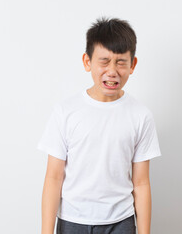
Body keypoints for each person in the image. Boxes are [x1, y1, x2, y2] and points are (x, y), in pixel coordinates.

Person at [37, 16, 162, 234]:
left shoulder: (140, 116)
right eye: (104, 61)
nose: (112, 70)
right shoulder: (66, 111)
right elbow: (53, 177)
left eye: (121, 62)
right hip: (72, 220)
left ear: (132, 65)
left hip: (121, 221)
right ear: (87, 62)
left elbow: (141, 183)